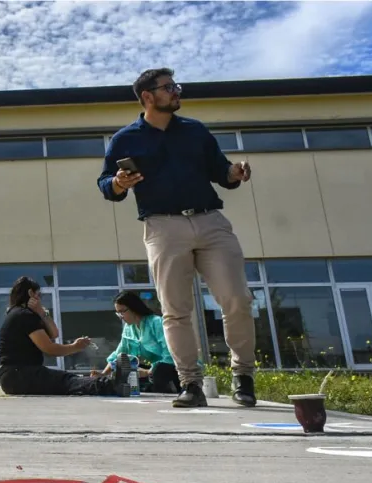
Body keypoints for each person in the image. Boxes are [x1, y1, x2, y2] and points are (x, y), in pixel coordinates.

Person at [97, 67, 257, 409]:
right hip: (162, 227)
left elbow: (220, 171)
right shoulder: (125, 139)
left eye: (176, 86)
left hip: (210, 221)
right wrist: (119, 183)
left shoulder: (195, 131)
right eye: (168, 87)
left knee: (237, 299)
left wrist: (234, 172)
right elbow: (106, 184)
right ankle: (190, 384)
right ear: (148, 97)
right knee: (175, 309)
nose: (176, 91)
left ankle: (243, 376)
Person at [0, 276, 119, 396]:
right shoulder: (24, 315)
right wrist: (75, 347)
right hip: (19, 374)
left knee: (68, 379)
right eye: (39, 295)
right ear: (31, 293)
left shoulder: (19, 313)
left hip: (15, 375)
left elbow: (54, 333)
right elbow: (50, 349)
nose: (40, 299)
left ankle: (106, 383)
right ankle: (111, 385)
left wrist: (42, 313)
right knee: (69, 381)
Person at [97, 291, 180, 394]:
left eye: (122, 311)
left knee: (159, 369)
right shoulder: (128, 328)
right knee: (128, 368)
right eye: (118, 313)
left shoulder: (156, 322)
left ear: (134, 308)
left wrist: (148, 372)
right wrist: (103, 374)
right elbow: (120, 354)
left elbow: (169, 354)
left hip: (171, 367)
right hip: (152, 369)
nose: (121, 316)